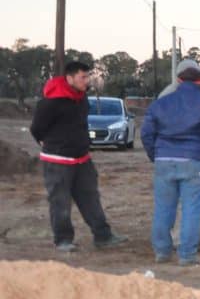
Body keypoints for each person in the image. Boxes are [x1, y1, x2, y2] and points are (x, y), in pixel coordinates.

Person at [30, 60, 128, 253]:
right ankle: (63, 240)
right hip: (58, 162)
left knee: (91, 198)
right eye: (83, 77)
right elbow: (36, 129)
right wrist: (48, 143)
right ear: (70, 78)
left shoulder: (81, 98)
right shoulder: (51, 102)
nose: (87, 80)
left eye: (87, 76)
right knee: (60, 202)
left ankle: (103, 236)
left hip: (82, 160)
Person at [141, 60, 200, 266]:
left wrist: (156, 155)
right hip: (196, 161)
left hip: (164, 160)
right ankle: (187, 256)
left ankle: (162, 252)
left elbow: (146, 134)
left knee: (163, 208)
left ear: (178, 80)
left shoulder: (160, 103)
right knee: (192, 210)